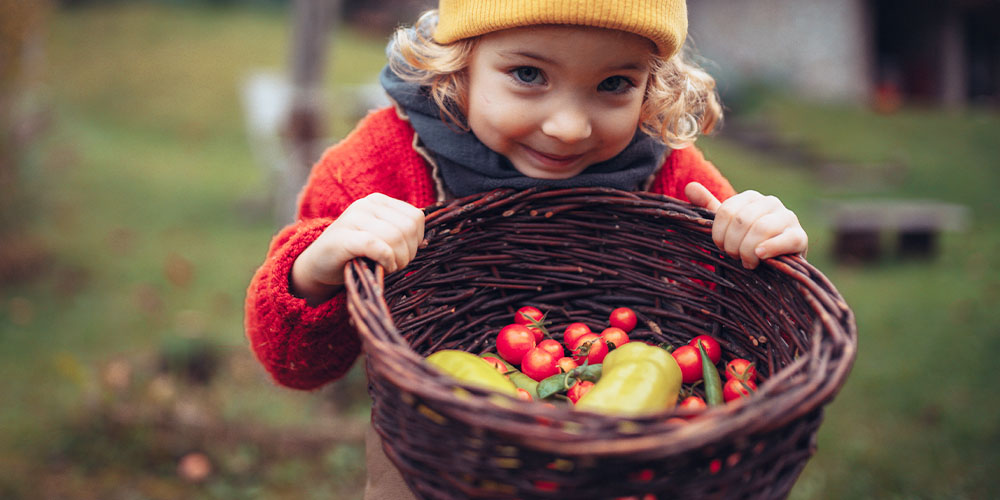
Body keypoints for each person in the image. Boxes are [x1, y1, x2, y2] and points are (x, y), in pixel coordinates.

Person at [245, 1, 808, 498]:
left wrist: (758, 236)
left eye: (614, 83)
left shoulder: (666, 171)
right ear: (459, 62)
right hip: (433, 465)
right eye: (528, 73)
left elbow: (737, 326)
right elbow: (295, 364)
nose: (568, 127)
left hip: (627, 473)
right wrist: (314, 271)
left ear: (653, 84)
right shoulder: (382, 166)